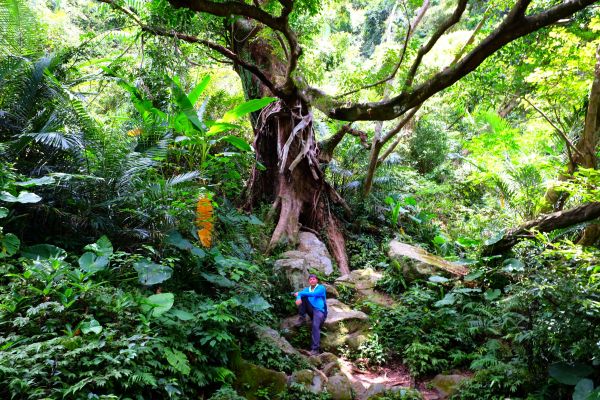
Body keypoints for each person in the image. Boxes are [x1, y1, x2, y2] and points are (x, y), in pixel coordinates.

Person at [293, 274, 327, 356]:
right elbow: (300, 295)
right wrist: (298, 298)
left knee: (315, 326)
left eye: (314, 279)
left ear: (317, 280)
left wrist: (300, 293)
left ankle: (315, 350)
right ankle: (302, 318)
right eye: (310, 279)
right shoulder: (306, 289)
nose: (312, 280)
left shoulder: (321, 288)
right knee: (303, 297)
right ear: (309, 281)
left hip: (320, 311)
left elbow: (314, 294)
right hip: (311, 310)